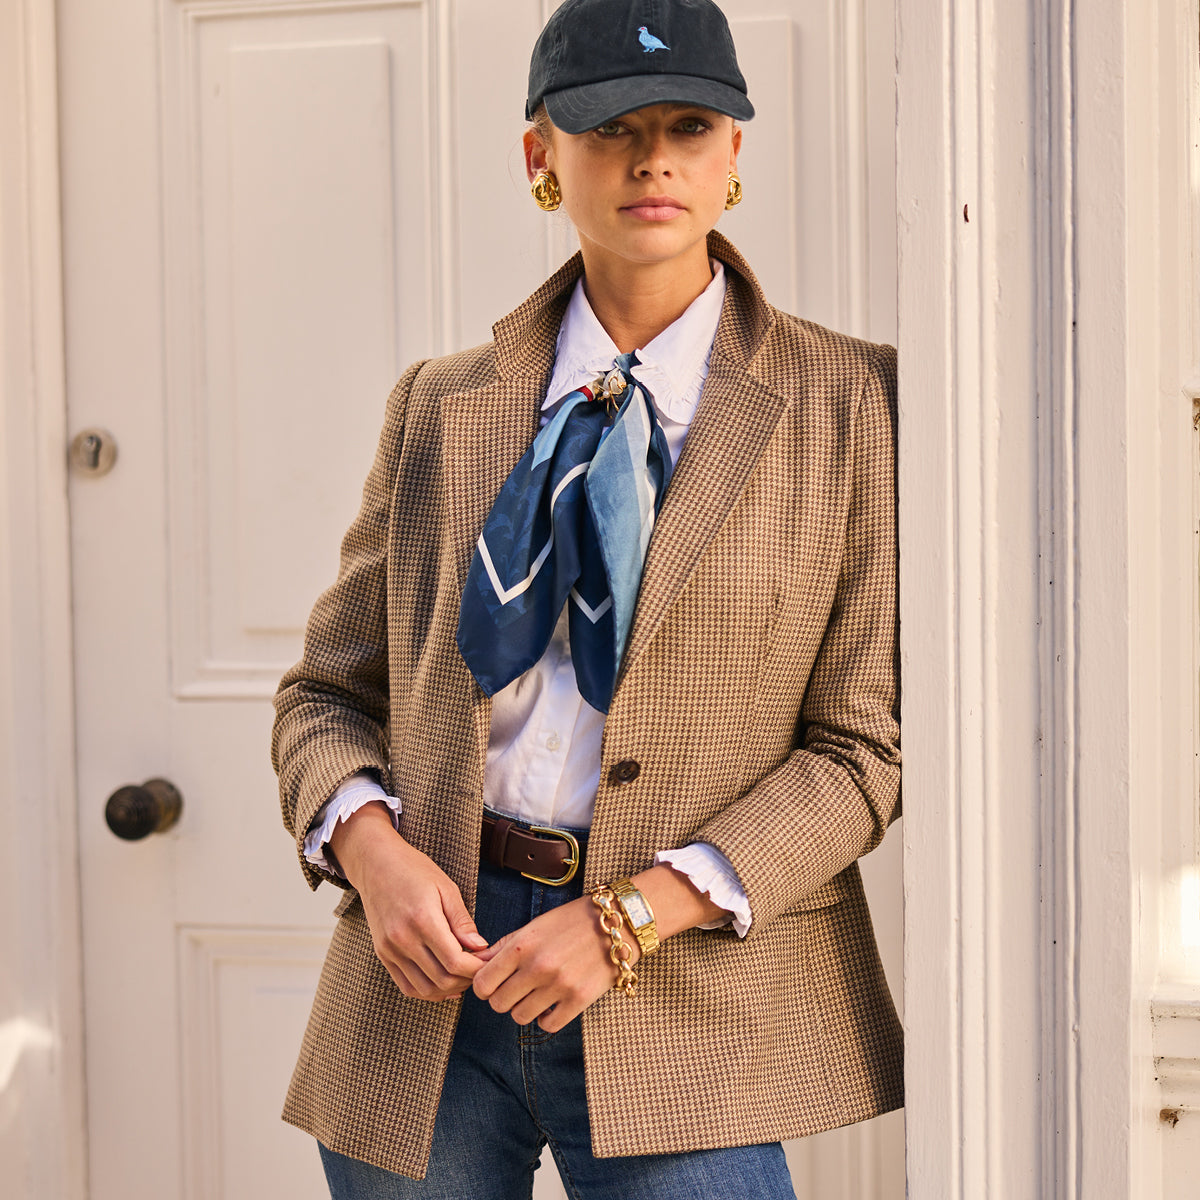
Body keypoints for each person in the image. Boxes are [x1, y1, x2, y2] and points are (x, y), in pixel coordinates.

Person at [272, 1, 902, 1196]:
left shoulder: (850, 408)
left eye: (689, 125)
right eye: (610, 125)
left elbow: (862, 749)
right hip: (425, 997)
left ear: (733, 160)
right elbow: (323, 695)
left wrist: (630, 919)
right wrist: (371, 850)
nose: (652, 156)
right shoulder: (441, 405)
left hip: (687, 994)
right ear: (540, 159)